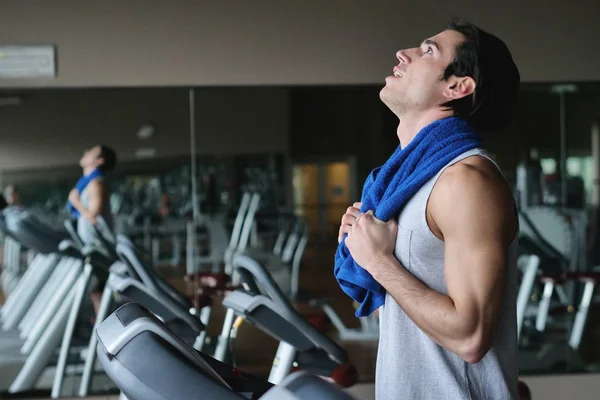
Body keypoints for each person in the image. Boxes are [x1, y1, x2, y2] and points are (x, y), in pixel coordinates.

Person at [336, 18, 520, 399]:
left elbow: (470, 337)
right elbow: (407, 316)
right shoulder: (408, 183)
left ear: (457, 86)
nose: (404, 54)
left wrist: (379, 262)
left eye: (428, 50)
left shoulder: (467, 181)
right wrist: (362, 248)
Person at [67, 144, 117, 245]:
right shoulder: (88, 183)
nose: (86, 153)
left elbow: (95, 218)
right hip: (91, 242)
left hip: (99, 245)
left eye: (91, 152)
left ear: (100, 161)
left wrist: (76, 202)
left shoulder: (96, 183)